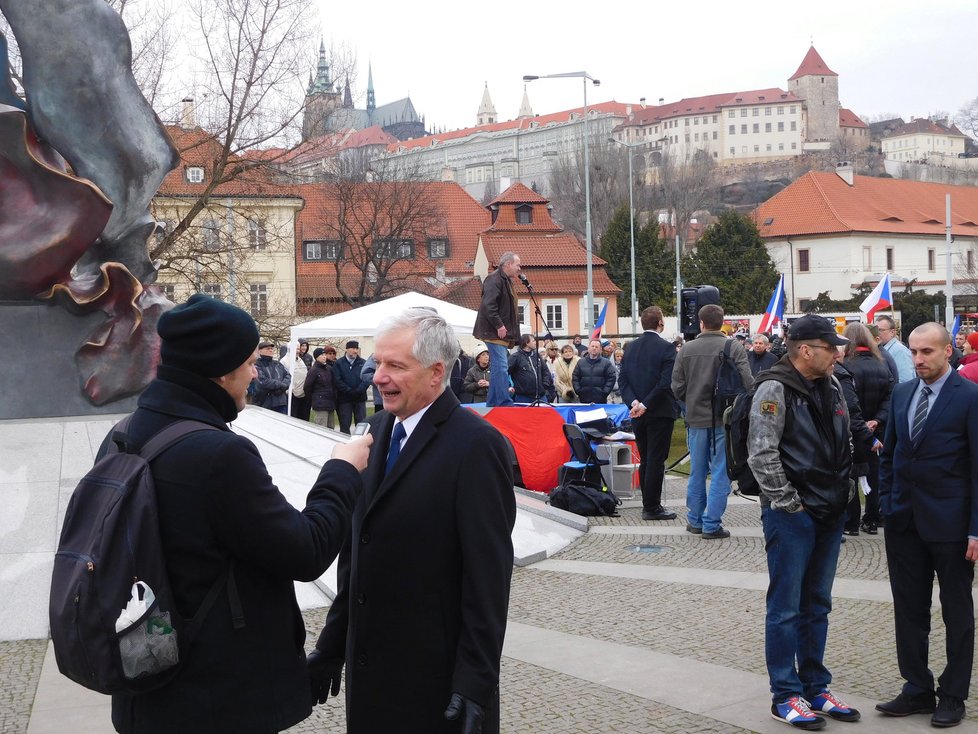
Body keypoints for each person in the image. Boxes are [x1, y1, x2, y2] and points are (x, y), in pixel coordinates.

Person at [104, 294, 371, 734]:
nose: (255, 373)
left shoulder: (123, 434)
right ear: (221, 370)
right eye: (248, 362)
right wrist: (342, 471)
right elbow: (304, 551)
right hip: (215, 696)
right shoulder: (217, 454)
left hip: (147, 679)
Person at [309, 308, 516, 733]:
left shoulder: (477, 446)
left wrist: (475, 681)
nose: (377, 376)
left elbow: (487, 577)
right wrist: (332, 647)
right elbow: (356, 554)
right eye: (378, 362)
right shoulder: (376, 432)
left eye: (395, 366)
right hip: (372, 676)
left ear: (436, 372)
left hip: (433, 684)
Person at [747, 314, 859, 730]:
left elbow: (844, 438)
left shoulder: (830, 384)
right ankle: (786, 694)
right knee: (786, 608)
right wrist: (789, 504)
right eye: (831, 347)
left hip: (830, 510)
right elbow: (762, 453)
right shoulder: (773, 388)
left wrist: (843, 491)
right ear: (806, 349)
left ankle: (816, 686)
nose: (838, 353)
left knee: (818, 605)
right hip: (792, 516)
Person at [876, 322, 978, 727]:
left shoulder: (970, 398)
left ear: (947, 352)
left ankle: (953, 694)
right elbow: (891, 456)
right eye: (914, 352)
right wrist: (887, 504)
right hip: (904, 522)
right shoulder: (902, 392)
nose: (918, 360)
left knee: (957, 612)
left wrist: (976, 529)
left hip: (952, 526)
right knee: (909, 611)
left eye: (927, 352)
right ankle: (917, 688)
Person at [672, 304, 752, 539]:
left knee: (697, 471)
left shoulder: (686, 349)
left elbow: (676, 386)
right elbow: (749, 383)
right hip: (725, 419)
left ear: (701, 323)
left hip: (696, 418)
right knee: (721, 472)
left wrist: (690, 402)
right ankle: (712, 523)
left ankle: (695, 520)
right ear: (722, 322)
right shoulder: (733, 346)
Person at [619, 306, 679, 522]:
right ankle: (651, 507)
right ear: (660, 323)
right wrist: (644, 404)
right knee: (655, 459)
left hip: (638, 412)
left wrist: (635, 402)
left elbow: (623, 380)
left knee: (646, 458)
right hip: (659, 410)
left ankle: (649, 502)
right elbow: (665, 382)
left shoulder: (630, 348)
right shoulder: (667, 348)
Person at [841, 323, 892, 535]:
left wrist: (864, 423)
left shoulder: (845, 366)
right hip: (875, 429)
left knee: (852, 473)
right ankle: (871, 519)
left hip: (853, 429)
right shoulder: (882, 364)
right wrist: (877, 421)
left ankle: (851, 523)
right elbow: (890, 396)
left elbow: (848, 403)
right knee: (873, 474)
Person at [473, 251, 521, 407]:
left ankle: (494, 401)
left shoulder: (505, 280)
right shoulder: (494, 279)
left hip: (497, 332)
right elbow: (488, 305)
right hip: (493, 332)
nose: (519, 268)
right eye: (517, 264)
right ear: (508, 264)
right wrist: (499, 325)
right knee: (501, 366)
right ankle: (503, 401)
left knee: (498, 367)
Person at [334, 340, 369, 434]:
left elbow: (367, 379)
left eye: (356, 348)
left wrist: (358, 390)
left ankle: (360, 445)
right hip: (345, 400)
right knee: (345, 425)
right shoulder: (338, 363)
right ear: (347, 349)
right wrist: (349, 390)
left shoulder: (363, 362)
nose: (355, 351)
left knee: (361, 425)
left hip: (360, 398)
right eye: (353, 348)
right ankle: (345, 445)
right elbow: (337, 380)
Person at [508, 334, 554, 403]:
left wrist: (545, 384)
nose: (535, 342)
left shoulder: (537, 356)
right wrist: (509, 386)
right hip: (523, 397)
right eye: (533, 341)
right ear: (526, 343)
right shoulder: (515, 357)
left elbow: (545, 371)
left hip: (541, 396)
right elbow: (505, 372)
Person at [572, 339, 616, 404]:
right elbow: (575, 377)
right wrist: (579, 391)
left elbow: (611, 378)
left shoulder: (606, 363)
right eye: (592, 346)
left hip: (600, 400)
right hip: (584, 399)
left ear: (600, 349)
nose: (594, 348)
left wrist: (605, 392)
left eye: (596, 347)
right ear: (588, 348)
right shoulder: (581, 362)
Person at [253, 341, 290, 414]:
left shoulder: (277, 364)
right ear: (260, 351)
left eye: (271, 349)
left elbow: (288, 376)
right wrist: (280, 384)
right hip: (265, 402)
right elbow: (263, 381)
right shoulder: (257, 365)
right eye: (267, 349)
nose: (271, 350)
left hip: (281, 402)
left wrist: (284, 385)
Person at [876, 315, 914, 382]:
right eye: (876, 330)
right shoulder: (883, 350)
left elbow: (906, 381)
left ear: (892, 332)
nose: (877, 333)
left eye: (881, 330)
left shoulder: (900, 351)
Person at [289, 345, 310, 421]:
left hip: (303, 393)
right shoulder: (285, 361)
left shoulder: (300, 360)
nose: (297, 351)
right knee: (294, 418)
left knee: (303, 418)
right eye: (295, 349)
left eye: (298, 349)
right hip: (292, 395)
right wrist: (291, 391)